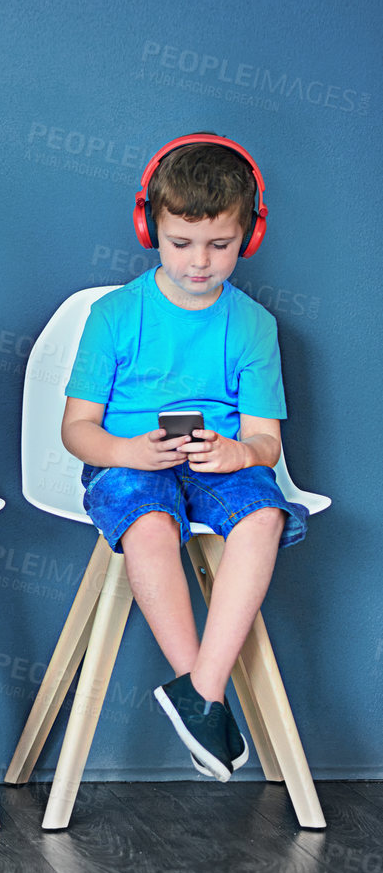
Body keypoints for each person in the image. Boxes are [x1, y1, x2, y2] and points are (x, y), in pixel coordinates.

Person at [63, 133, 306, 779]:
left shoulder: (252, 324)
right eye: (180, 243)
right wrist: (124, 450)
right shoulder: (115, 314)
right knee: (148, 525)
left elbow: (265, 443)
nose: (199, 262)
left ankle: (201, 689)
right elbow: (77, 430)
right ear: (150, 229)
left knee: (265, 517)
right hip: (129, 462)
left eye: (219, 246)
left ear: (247, 238)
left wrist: (237, 452)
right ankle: (194, 686)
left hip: (216, 463)